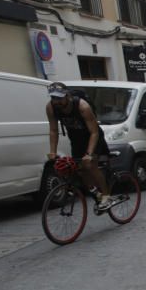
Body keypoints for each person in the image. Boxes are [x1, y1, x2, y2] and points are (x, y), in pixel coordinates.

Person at [46, 81, 113, 212]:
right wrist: (52, 152)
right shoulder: (51, 108)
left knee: (90, 164)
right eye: (53, 98)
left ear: (67, 96)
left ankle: (106, 195)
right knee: (78, 169)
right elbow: (53, 130)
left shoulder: (82, 106)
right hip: (76, 138)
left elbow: (94, 132)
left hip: (93, 136)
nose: (56, 101)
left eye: (59, 98)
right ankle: (96, 193)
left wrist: (89, 154)